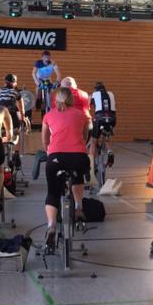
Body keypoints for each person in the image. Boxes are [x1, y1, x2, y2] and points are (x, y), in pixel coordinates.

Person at [41, 86, 91, 252]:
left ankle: (51, 226)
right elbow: (85, 137)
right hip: (78, 157)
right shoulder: (82, 115)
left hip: (55, 158)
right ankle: (78, 207)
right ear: (72, 100)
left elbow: (45, 139)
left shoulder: (48, 115)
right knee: (78, 176)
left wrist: (49, 152)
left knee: (53, 192)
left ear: (56, 100)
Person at [89, 81, 117, 161]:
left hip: (100, 118)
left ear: (95, 89)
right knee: (105, 137)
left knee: (93, 141)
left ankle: (91, 164)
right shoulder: (111, 94)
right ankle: (109, 151)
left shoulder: (94, 94)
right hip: (112, 119)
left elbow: (87, 106)